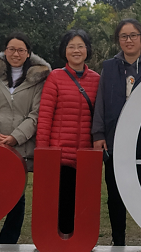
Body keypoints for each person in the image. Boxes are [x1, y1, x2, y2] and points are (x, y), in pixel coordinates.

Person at [91, 19, 141, 247]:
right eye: (124, 36)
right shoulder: (109, 67)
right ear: (118, 40)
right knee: (115, 194)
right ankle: (118, 243)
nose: (129, 40)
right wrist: (98, 134)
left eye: (133, 35)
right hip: (114, 140)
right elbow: (101, 103)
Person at [0, 33, 51, 244]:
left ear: (28, 54)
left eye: (20, 50)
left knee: (16, 196)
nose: (16, 54)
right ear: (5, 51)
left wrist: (16, 137)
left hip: (20, 147)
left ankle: (9, 242)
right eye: (11, 49)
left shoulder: (39, 80)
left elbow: (37, 114)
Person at [35, 29, 101, 235]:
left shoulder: (97, 79)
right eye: (71, 46)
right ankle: (61, 241)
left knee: (82, 204)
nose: (76, 50)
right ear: (64, 50)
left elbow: (101, 116)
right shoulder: (55, 77)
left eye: (80, 46)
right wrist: (43, 152)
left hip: (86, 154)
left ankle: (78, 242)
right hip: (60, 153)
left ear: (87, 50)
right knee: (62, 201)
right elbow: (45, 116)